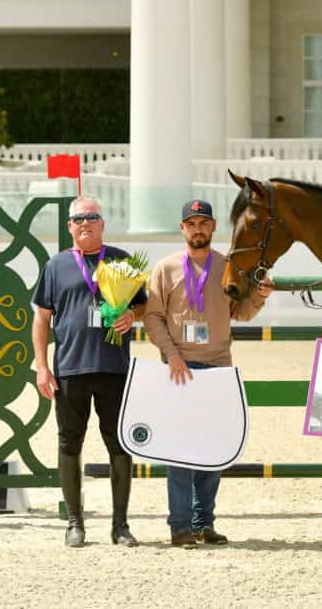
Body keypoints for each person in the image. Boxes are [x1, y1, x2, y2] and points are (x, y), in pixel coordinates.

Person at [144, 199, 273, 548]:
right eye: (192, 223)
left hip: (217, 368)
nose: (198, 229)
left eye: (204, 222)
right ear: (182, 228)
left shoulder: (228, 266)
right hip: (179, 370)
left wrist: (259, 297)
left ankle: (204, 523)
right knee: (180, 454)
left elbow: (240, 312)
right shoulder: (166, 268)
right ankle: (181, 527)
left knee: (213, 451)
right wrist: (171, 355)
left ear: (213, 227)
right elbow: (152, 317)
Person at [33, 196, 147, 548]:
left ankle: (121, 526)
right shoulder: (56, 266)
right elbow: (41, 318)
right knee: (70, 443)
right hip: (70, 369)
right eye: (78, 218)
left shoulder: (121, 261)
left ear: (102, 223)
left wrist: (132, 317)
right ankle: (74, 523)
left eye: (92, 217)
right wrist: (41, 366)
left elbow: (142, 306)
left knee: (119, 443)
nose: (85, 223)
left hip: (113, 368)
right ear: (69, 226)